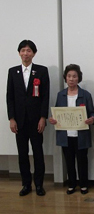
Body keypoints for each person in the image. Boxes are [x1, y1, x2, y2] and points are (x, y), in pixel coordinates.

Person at [6, 40, 49, 196]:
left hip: (36, 120)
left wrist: (43, 117)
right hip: (19, 121)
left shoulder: (41, 71)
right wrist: (11, 118)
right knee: (22, 154)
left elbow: (45, 96)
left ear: (34, 53)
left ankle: (39, 184)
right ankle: (26, 184)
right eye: (23, 50)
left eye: (29, 50)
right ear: (19, 53)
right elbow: (9, 97)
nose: (26, 53)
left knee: (38, 152)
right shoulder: (12, 72)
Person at [49, 64, 94, 195]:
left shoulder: (85, 95)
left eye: (74, 76)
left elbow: (92, 112)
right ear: (65, 78)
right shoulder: (61, 95)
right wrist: (53, 119)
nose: (71, 79)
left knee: (82, 160)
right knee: (69, 160)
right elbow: (57, 113)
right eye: (69, 76)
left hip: (81, 133)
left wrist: (92, 119)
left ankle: (83, 184)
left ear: (78, 78)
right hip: (65, 134)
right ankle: (71, 184)